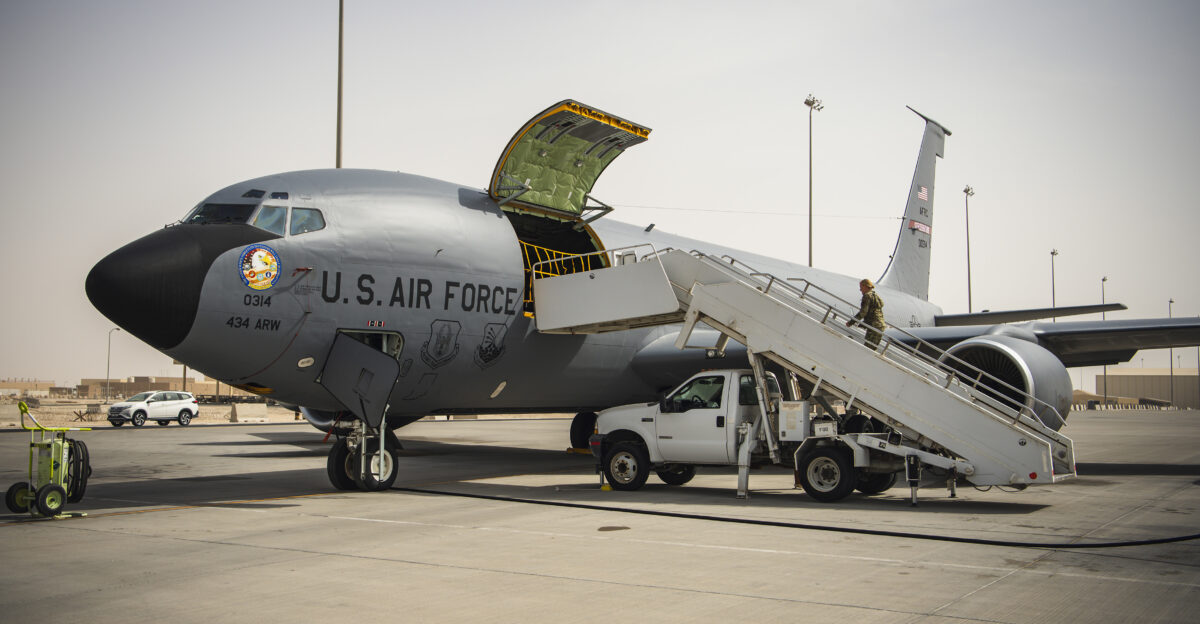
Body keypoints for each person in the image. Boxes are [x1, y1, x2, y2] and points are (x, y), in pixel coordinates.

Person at [847, 278, 886, 350]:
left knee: (867, 349)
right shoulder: (875, 296)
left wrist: (851, 322)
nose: (860, 290)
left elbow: (863, 312)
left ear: (865, 286)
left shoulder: (867, 296)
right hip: (880, 326)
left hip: (873, 326)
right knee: (872, 349)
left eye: (861, 287)